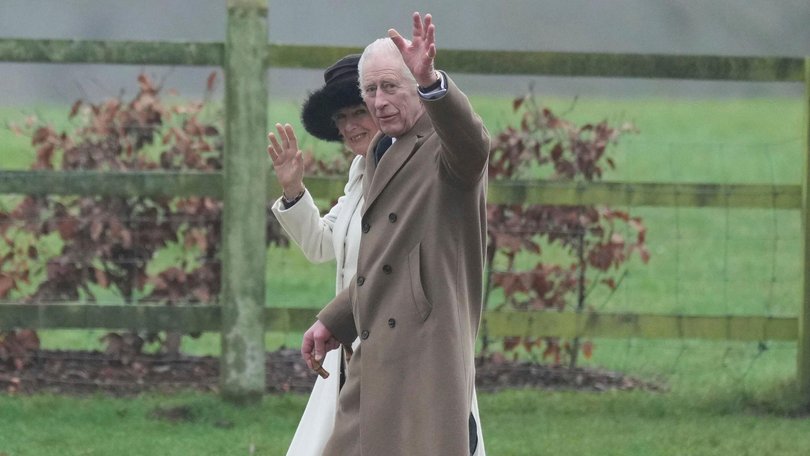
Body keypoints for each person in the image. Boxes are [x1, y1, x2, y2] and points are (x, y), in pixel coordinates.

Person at [301, 12, 490, 455]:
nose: (379, 101)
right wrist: (334, 319)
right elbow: (387, 257)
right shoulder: (382, 151)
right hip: (375, 353)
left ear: (415, 90)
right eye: (370, 90)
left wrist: (433, 84)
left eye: (391, 87)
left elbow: (473, 144)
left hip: (427, 354)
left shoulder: (446, 148)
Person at [268, 54, 377, 455]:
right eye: (340, 119)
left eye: (358, 112)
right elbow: (320, 245)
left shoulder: (407, 170)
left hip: (395, 344)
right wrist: (293, 189)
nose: (349, 127)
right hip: (349, 341)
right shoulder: (360, 172)